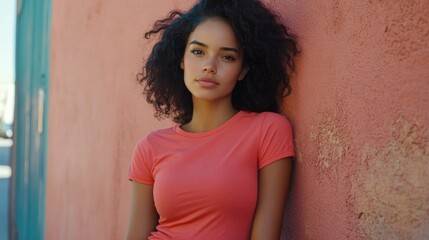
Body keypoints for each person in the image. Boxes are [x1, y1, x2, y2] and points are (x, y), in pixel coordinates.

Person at [127, 0, 299, 239]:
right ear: (181, 60)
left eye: (227, 57)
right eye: (198, 52)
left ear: (243, 70)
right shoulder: (149, 148)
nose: (209, 66)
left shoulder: (267, 130)